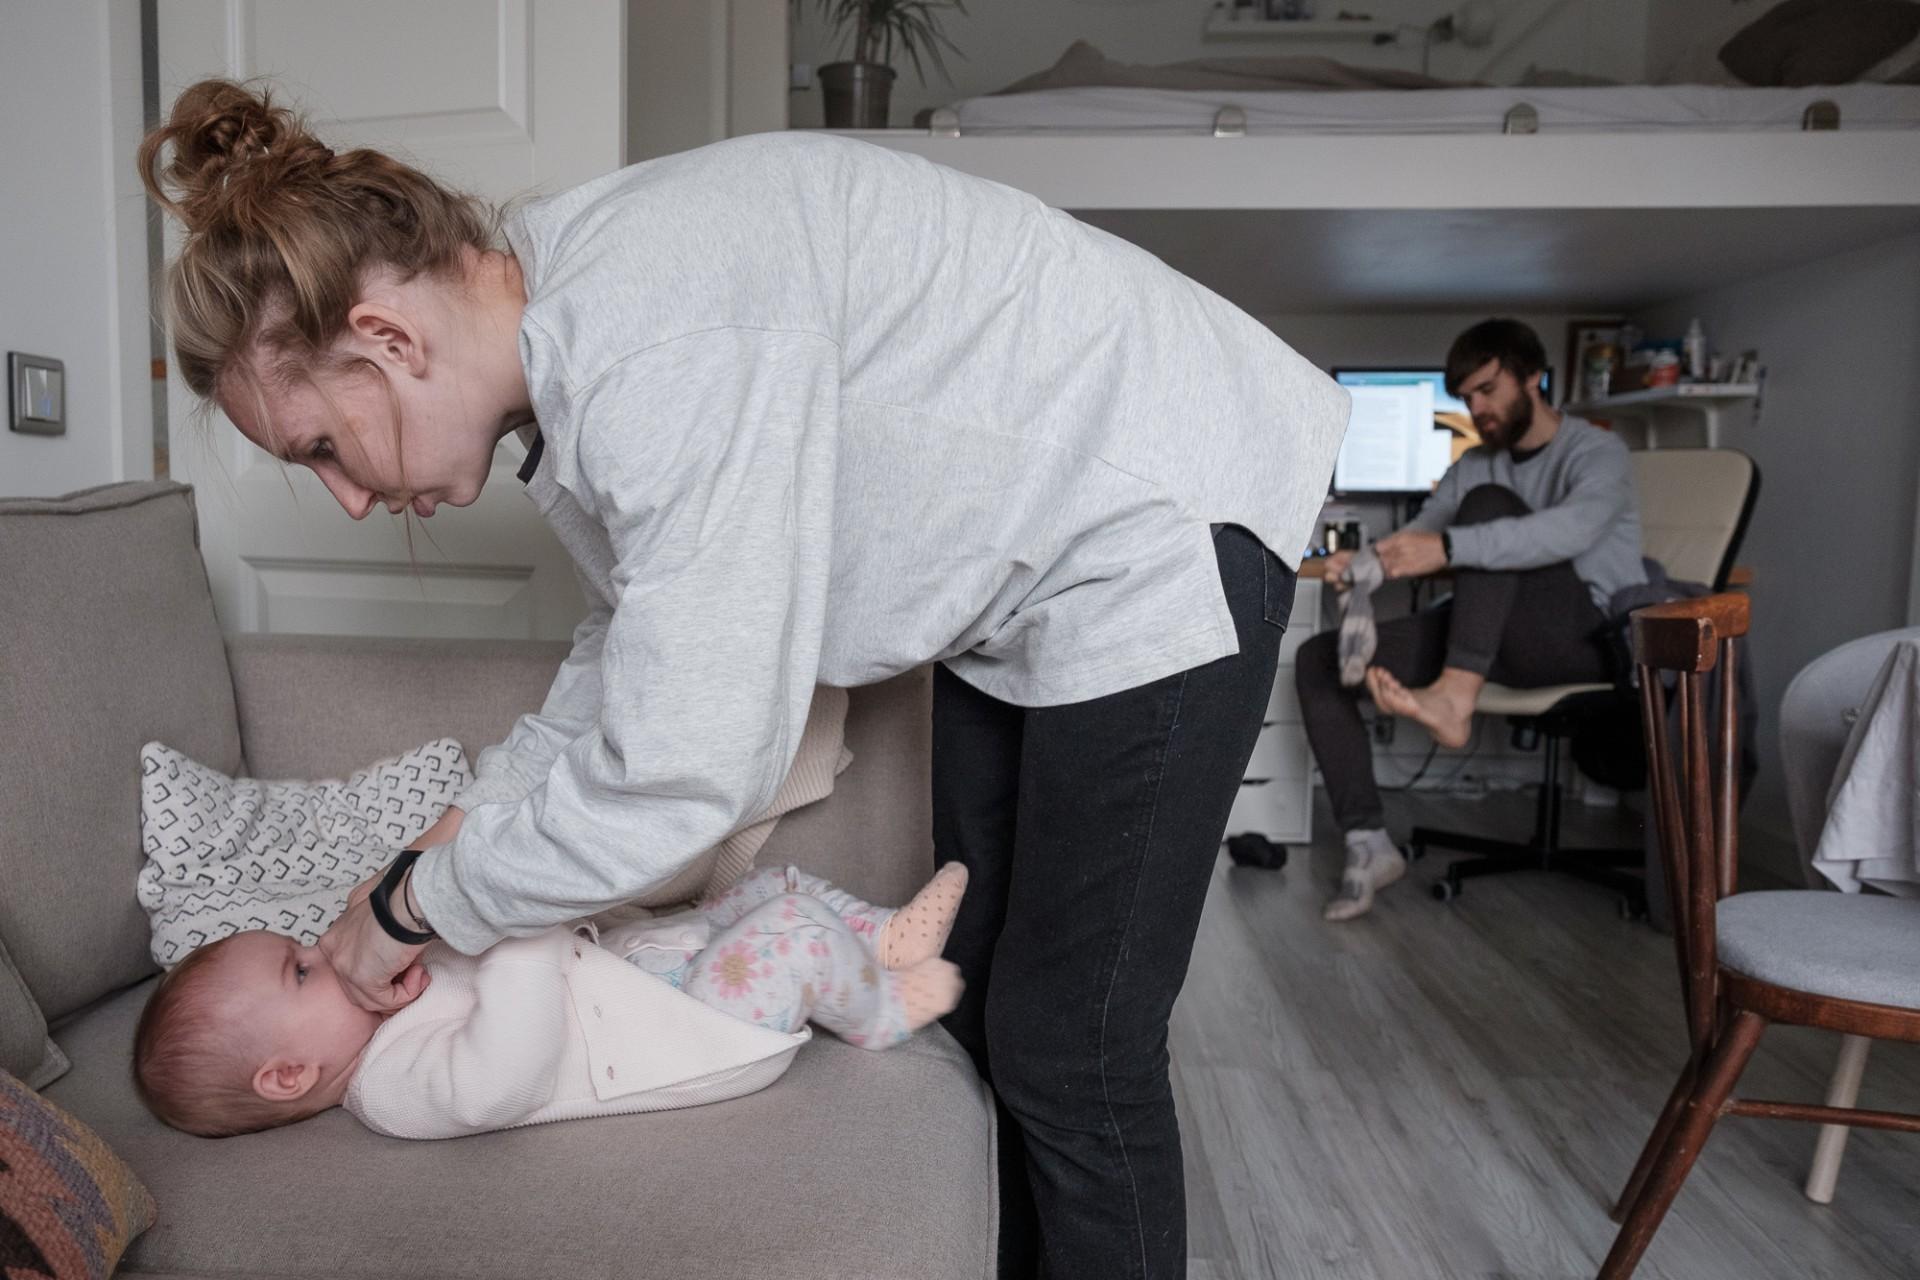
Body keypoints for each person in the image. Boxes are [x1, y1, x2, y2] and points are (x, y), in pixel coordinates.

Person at [139, 79, 1348, 1279]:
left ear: (389, 341)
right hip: (1029, 580)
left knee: (1073, 1044)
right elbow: (629, 647)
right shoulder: (571, 336)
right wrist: (439, 845)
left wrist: (424, 907)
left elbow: (685, 766)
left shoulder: (653, 341)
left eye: (320, 447)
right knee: (987, 997)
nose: (348, 498)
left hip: (1157, 522)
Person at [133, 864, 968, 1139]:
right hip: (692, 1032)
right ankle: (881, 1012)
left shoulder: (380, 1012)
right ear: (289, 1074)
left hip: (643, 978)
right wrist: (511, 912)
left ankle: (884, 935)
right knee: (790, 932)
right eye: (301, 972)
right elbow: (511, 1070)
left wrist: (414, 920)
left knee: (763, 886)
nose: (322, 950)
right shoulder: (391, 1092)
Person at [1297, 318, 1647, 922]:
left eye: (1487, 390)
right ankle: (1369, 843)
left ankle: (1453, 698)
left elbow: (1571, 530)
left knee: (1488, 510)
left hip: (1583, 636)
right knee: (1319, 660)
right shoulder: (1475, 464)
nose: (1476, 409)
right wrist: (1369, 562)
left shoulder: (1597, 452)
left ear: (1532, 377)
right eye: (1465, 398)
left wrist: (1451, 548)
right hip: (1490, 636)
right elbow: (1425, 532)